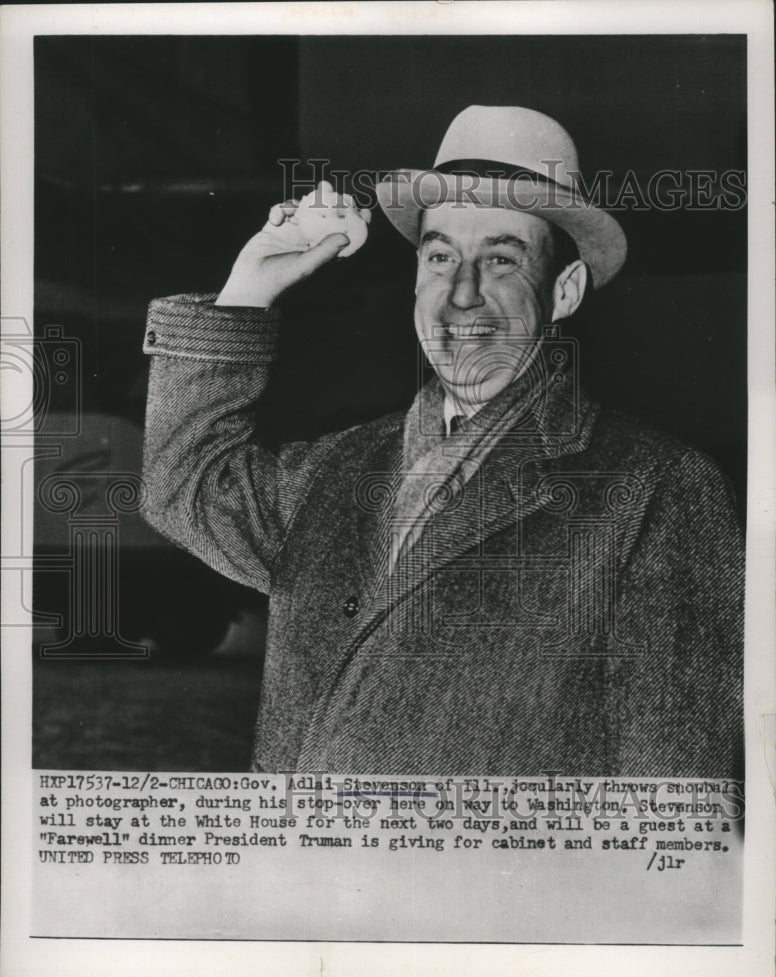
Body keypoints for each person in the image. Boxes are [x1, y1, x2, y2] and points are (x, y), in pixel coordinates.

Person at [141, 106, 743, 777]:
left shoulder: (654, 488)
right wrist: (249, 291)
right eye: (439, 256)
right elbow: (180, 484)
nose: (461, 293)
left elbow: (673, 801)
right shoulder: (335, 468)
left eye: (502, 259)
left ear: (564, 291)